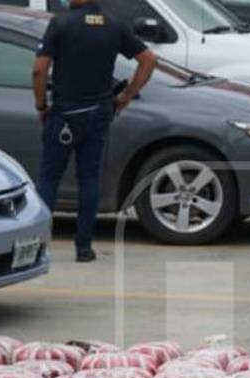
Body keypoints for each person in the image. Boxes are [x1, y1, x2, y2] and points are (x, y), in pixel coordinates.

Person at [33, 0, 157, 262]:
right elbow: (148, 60)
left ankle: (38, 246)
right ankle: (84, 248)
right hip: (99, 113)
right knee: (89, 179)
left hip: (65, 113)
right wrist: (126, 95)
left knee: (49, 178)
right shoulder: (115, 26)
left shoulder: (61, 23)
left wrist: (41, 104)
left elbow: (39, 69)